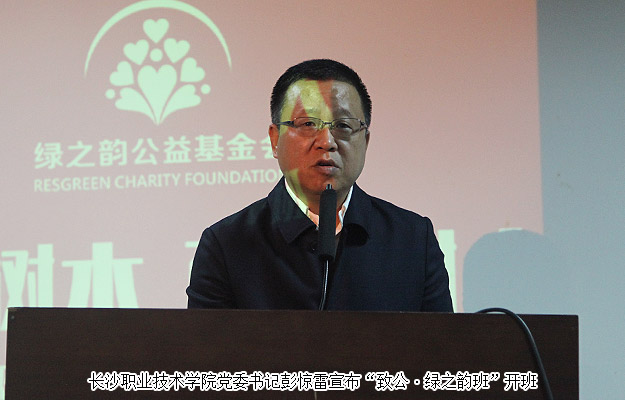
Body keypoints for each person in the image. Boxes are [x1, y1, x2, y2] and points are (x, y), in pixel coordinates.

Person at [187, 59, 452, 311]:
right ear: (275, 139)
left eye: (343, 125)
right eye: (308, 124)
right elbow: (207, 343)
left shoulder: (413, 239)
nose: (327, 141)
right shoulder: (227, 244)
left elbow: (443, 341)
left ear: (365, 141)